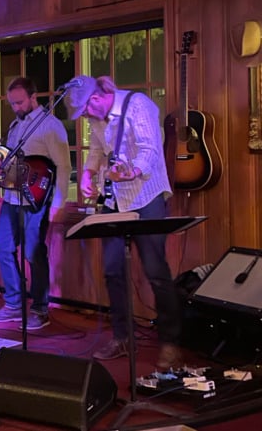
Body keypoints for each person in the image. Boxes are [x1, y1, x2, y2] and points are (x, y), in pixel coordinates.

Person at [65, 74, 181, 369]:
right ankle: (122, 337)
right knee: (112, 269)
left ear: (95, 99)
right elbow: (96, 151)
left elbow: (150, 150)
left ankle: (171, 341)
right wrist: (89, 175)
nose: (87, 117)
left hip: (147, 196)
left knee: (156, 271)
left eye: (86, 112)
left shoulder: (137, 105)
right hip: (114, 199)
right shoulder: (98, 118)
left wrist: (131, 172)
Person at [0, 77, 72, 330]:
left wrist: (58, 203)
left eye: (20, 102)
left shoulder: (50, 126)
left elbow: (64, 167)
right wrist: (0, 170)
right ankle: (13, 303)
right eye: (12, 103)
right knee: (2, 246)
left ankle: (40, 308)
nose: (15, 107)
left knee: (34, 252)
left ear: (34, 98)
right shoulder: (15, 125)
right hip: (12, 197)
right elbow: (12, 163)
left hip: (36, 200)